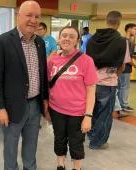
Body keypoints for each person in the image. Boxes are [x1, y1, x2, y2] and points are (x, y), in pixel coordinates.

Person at [0, 1, 48, 170]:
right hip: (12, 106)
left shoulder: (40, 43)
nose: (33, 20)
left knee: (31, 145)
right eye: (29, 15)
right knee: (11, 146)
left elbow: (42, 73)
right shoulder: (2, 42)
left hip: (35, 105)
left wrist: (44, 98)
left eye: (37, 17)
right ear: (18, 16)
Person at [46, 26, 97, 170]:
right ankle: (60, 165)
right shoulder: (52, 61)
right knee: (59, 139)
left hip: (78, 111)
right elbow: (49, 86)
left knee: (76, 142)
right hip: (56, 109)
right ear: (59, 39)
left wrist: (88, 115)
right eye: (64, 35)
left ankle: (76, 168)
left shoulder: (86, 60)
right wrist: (47, 108)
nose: (67, 39)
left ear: (77, 41)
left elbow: (91, 89)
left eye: (71, 36)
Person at [86, 11, 131, 149]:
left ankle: (91, 134)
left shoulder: (92, 39)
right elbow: (122, 66)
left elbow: (86, 61)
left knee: (91, 111)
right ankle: (97, 142)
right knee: (104, 115)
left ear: (106, 21)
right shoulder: (122, 41)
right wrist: (114, 75)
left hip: (91, 82)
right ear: (119, 23)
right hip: (108, 82)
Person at [117, 23, 136, 113]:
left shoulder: (127, 41)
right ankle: (123, 105)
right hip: (125, 68)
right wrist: (135, 65)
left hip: (122, 68)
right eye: (134, 29)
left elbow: (130, 55)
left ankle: (120, 105)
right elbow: (127, 58)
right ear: (129, 30)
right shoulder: (126, 41)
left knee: (121, 86)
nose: (135, 31)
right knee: (125, 87)